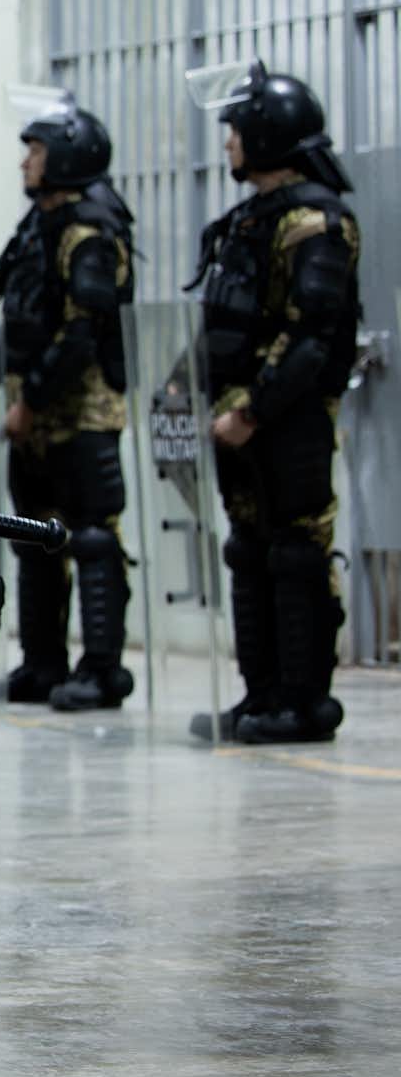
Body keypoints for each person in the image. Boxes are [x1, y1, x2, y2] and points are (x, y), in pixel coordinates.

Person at [189, 62, 362, 745]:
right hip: (235, 417)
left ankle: (303, 701)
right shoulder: (247, 222)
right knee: (249, 551)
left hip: (285, 419)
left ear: (268, 132)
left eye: (236, 128)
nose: (228, 141)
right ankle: (259, 696)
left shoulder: (315, 221)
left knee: (296, 553)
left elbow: (313, 335)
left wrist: (252, 410)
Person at [0, 104, 136, 711]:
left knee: (94, 539)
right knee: (34, 540)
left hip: (83, 412)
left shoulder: (90, 232)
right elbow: (21, 318)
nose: (26, 161)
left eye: (37, 151)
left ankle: (101, 669)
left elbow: (83, 331)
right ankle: (43, 662)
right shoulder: (36, 228)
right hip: (33, 411)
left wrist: (31, 400)